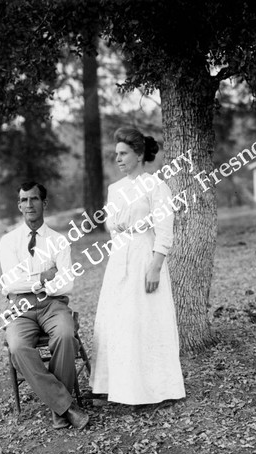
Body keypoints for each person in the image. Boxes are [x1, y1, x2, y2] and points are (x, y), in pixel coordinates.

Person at [89, 127, 185, 405]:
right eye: (116, 154)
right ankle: (115, 387)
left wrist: (155, 267)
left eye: (123, 153)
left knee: (146, 323)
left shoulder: (157, 186)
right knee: (118, 323)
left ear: (139, 154)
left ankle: (153, 390)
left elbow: (165, 231)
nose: (118, 159)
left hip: (146, 257)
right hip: (120, 259)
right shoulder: (114, 189)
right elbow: (112, 227)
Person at [0, 181, 89, 430]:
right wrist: (43, 277)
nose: (29, 204)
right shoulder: (8, 242)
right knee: (17, 346)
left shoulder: (59, 241)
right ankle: (65, 406)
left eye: (34, 199)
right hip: (21, 309)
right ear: (19, 205)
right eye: (24, 200)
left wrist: (30, 282)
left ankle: (58, 409)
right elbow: (10, 283)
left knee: (65, 335)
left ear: (44, 203)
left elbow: (66, 284)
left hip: (53, 305)